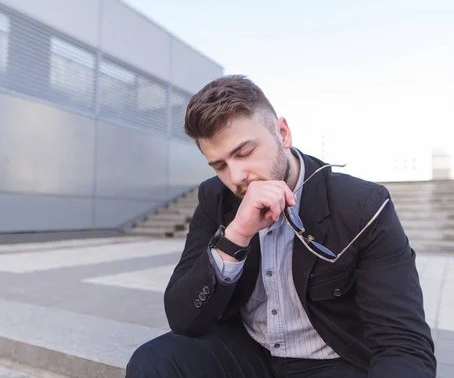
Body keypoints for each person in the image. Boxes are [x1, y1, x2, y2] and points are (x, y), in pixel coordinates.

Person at [126, 75, 436, 377]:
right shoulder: (216, 197)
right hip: (251, 350)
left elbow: (403, 343)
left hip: (333, 359)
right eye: (219, 165)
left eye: (244, 152)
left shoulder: (361, 205)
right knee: (154, 362)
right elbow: (183, 318)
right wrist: (236, 236)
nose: (235, 177)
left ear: (283, 134)